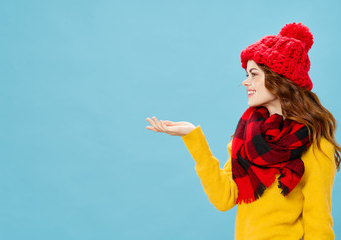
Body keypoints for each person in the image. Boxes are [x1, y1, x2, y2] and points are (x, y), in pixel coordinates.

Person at [145, 22, 340, 240]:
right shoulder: (247, 136)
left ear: (278, 78)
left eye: (253, 74)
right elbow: (225, 198)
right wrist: (193, 138)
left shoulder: (316, 145)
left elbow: (319, 222)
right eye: (247, 74)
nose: (246, 82)